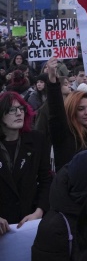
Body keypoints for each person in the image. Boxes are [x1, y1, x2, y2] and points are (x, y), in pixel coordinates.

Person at [46, 57, 87, 172]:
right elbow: (56, 113)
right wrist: (52, 80)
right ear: (72, 111)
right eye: (81, 109)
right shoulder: (64, 135)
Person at [0, 91, 51, 233]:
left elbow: (46, 179)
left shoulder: (36, 140)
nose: (18, 113)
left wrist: (39, 211)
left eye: (21, 108)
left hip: (30, 223)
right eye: (11, 110)